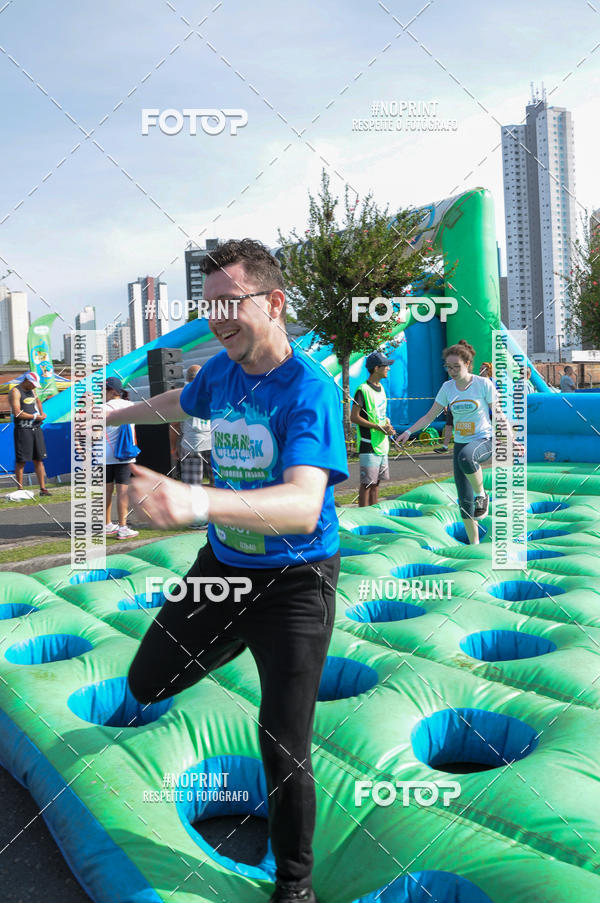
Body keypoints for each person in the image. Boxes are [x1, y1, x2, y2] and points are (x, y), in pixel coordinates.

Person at [105, 238, 348, 903]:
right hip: (225, 566)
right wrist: (113, 414)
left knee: (281, 736)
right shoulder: (223, 372)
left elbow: (303, 503)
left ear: (273, 303)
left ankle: (295, 885)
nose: (216, 317)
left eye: (229, 303)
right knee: (147, 681)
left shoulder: (310, 391)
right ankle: (236, 631)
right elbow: (183, 399)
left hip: (297, 581)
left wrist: (196, 500)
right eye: (207, 304)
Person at [397, 339, 524, 545]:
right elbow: (429, 416)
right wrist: (409, 431)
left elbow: (498, 414)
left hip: (484, 439)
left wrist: (512, 441)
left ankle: (482, 495)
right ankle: (474, 544)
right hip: (462, 444)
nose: (452, 371)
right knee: (464, 499)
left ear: (467, 364)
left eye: (456, 366)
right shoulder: (447, 388)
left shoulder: (483, 384)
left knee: (467, 458)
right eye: (448, 367)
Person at [350, 351, 395, 507]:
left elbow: (379, 413)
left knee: (376, 484)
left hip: (382, 444)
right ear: (376, 368)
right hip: (368, 444)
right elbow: (354, 417)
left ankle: (374, 515)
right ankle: (364, 516)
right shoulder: (362, 390)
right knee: (367, 484)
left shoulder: (381, 388)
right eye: (386, 366)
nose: (388, 368)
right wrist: (378, 427)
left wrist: (387, 425)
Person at [103, 376, 139, 540]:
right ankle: (123, 527)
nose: (102, 393)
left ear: (112, 391)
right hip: (123, 455)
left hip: (104, 455)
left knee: (107, 491)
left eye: (104, 390)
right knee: (122, 492)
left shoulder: (101, 408)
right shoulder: (130, 405)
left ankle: (107, 524)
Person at [170, 364, 214, 487]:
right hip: (213, 441)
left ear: (187, 378)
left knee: (192, 489)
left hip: (192, 444)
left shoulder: (183, 394)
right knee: (218, 486)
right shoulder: (211, 390)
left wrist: (173, 447)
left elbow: (175, 424)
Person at [8, 371, 51, 495]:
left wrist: (42, 414)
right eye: (32, 384)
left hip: (36, 428)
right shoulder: (15, 391)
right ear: (26, 381)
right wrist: (34, 416)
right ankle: (20, 489)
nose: (34, 387)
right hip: (23, 429)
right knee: (21, 460)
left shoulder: (32, 390)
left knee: (39, 459)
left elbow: (37, 401)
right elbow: (17, 412)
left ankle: (43, 489)